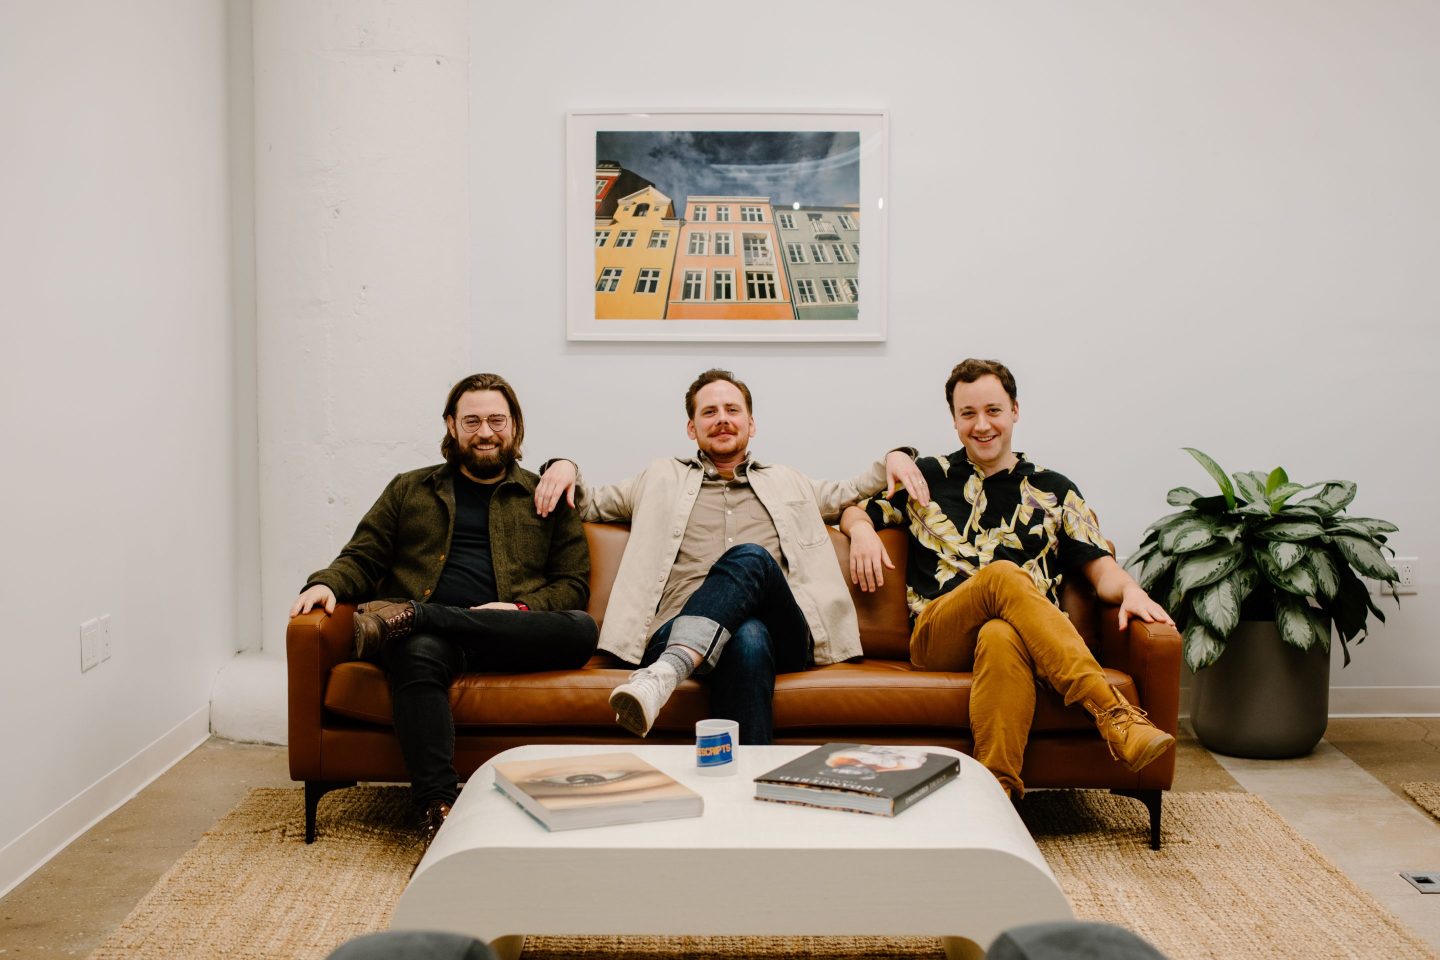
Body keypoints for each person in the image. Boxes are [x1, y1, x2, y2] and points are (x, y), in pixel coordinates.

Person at [839, 358, 1175, 799]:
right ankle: (1113, 714)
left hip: (1023, 644)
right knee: (1001, 576)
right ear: (954, 420)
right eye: (968, 414)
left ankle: (998, 798)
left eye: (993, 411)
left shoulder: (1054, 489)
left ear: (1015, 410)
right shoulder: (927, 478)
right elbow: (852, 509)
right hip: (939, 637)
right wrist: (861, 530)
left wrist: (1130, 590)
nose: (982, 425)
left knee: (1000, 633)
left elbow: (1098, 565)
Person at [534, 368, 925, 743]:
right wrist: (563, 465)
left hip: (784, 634)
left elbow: (853, 491)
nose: (722, 419)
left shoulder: (788, 480)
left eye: (732, 410)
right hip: (673, 627)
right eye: (709, 412)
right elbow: (589, 504)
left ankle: (665, 673)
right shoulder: (657, 477)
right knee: (746, 635)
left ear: (750, 424)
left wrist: (894, 459)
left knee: (750, 558)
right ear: (692, 428)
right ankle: (745, 782)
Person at [289, 373, 596, 840]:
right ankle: (438, 808)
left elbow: (572, 585)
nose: (485, 432)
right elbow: (363, 556)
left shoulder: (546, 497)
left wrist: (517, 608)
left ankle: (415, 615)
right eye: (472, 421)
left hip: (509, 635)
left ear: (515, 425)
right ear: (451, 425)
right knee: (415, 653)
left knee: (581, 630)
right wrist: (326, 583)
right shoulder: (409, 489)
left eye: (497, 420)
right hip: (431, 644)